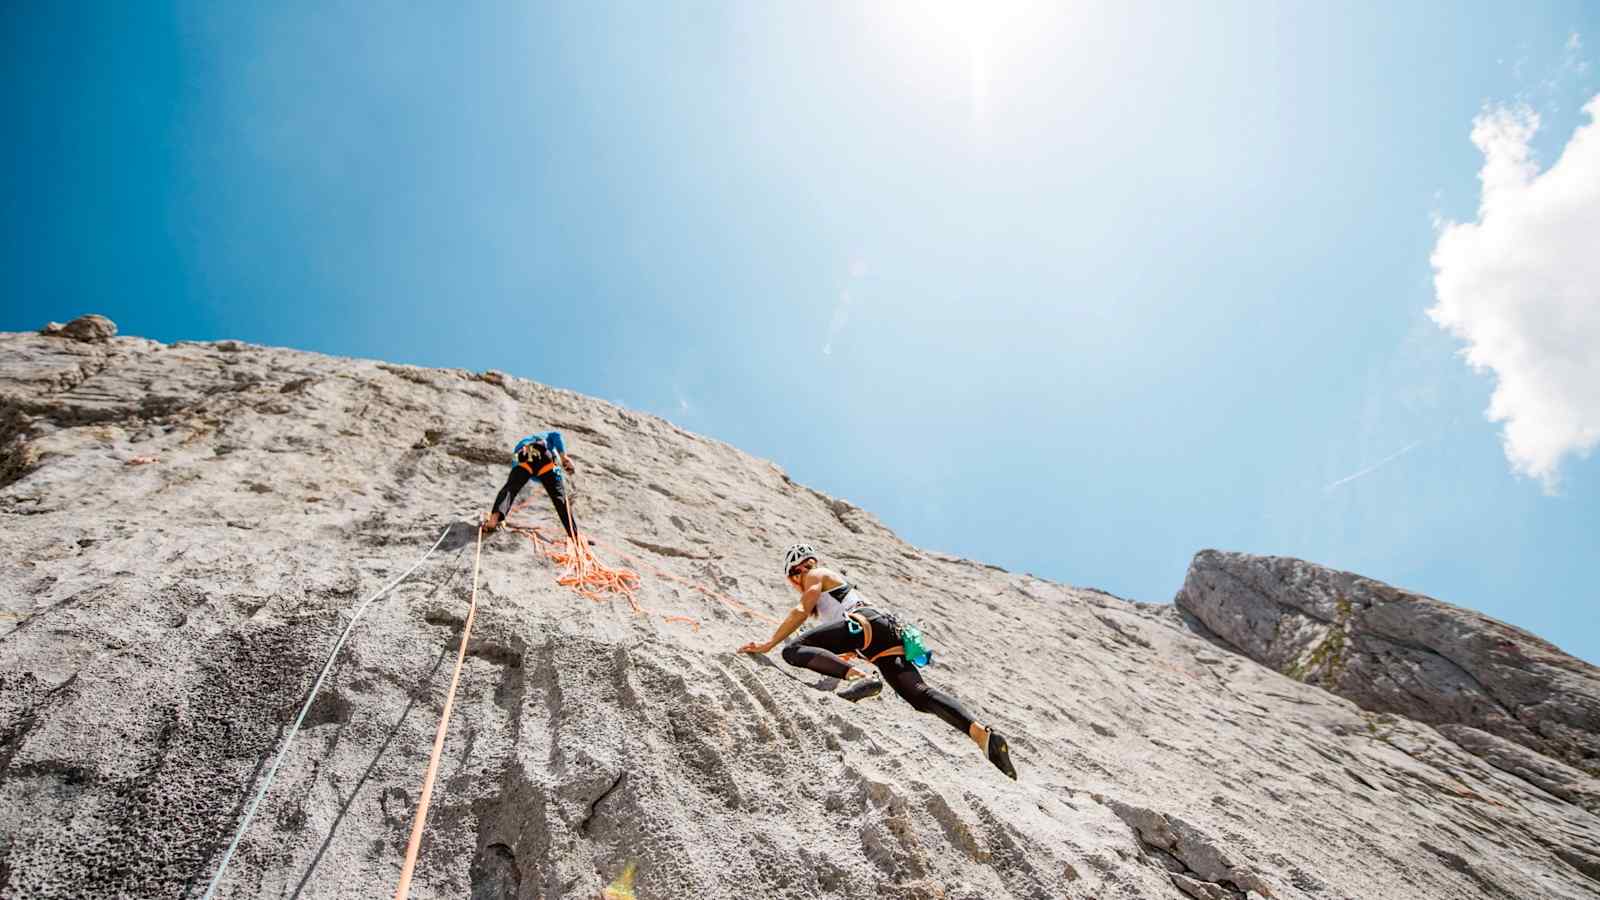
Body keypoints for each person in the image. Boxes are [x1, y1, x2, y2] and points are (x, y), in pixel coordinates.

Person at [739, 543, 1017, 780]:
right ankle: (982, 735)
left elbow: (801, 609)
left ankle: (861, 679)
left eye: (793, 577)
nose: (797, 581)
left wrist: (769, 644)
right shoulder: (832, 591)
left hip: (863, 626)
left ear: (797, 571)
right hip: (882, 637)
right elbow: (839, 634)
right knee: (919, 696)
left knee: (794, 649)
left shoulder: (815, 574)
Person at [483, 431, 577, 539]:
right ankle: (574, 535)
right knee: (560, 499)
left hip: (525, 455)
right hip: (546, 460)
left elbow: (516, 468)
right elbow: (556, 434)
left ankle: (494, 519)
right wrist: (564, 457)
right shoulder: (545, 437)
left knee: (510, 489)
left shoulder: (525, 442)